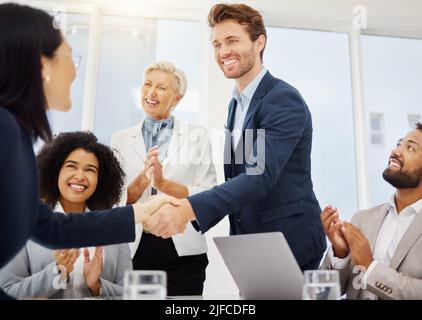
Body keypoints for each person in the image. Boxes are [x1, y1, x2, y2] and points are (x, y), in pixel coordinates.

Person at [0, 3, 177, 299]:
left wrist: (139, 212)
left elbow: (50, 228)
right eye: (71, 57)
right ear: (42, 66)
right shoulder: (6, 131)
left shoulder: (13, 133)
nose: (73, 71)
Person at [143, 3, 326, 270]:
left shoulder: (282, 100)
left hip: (288, 243)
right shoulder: (235, 106)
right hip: (250, 245)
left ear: (259, 43)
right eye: (217, 44)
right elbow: (238, 181)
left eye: (232, 41)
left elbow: (258, 176)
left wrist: (188, 209)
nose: (223, 51)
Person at [111, 61, 216, 295]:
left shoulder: (197, 136)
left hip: (184, 249)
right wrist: (143, 179)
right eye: (147, 84)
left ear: (177, 98)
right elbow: (115, 200)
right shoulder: (120, 139)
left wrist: (163, 184)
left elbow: (208, 195)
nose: (151, 92)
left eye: (161, 87)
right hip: (135, 248)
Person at [0, 132, 133, 299]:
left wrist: (97, 286)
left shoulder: (114, 228)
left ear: (101, 179)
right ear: (55, 172)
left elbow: (130, 293)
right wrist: (56, 274)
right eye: (71, 166)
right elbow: (8, 290)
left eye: (90, 170)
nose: (80, 176)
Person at [320, 123, 422, 300]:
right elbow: (323, 292)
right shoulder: (362, 220)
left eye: (410, 147)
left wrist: (370, 267)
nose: (396, 151)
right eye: (399, 143)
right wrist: (340, 254)